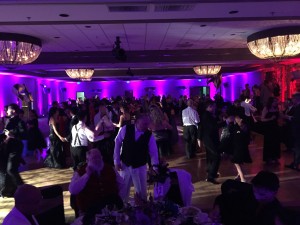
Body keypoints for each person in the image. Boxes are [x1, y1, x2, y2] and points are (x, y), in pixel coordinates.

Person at [211, 170, 296, 225]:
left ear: (275, 192)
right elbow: (226, 190)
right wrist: (217, 208)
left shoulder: (274, 211)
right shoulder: (249, 191)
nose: (257, 196)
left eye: (263, 194)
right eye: (256, 192)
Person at [114, 113, 159, 201]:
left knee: (142, 193)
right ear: (137, 122)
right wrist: (116, 161)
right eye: (144, 124)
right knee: (123, 191)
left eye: (147, 123)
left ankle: (142, 211)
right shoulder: (126, 129)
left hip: (140, 166)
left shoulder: (149, 135)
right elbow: (117, 143)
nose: (146, 126)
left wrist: (155, 168)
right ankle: (123, 210)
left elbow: (154, 153)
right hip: (125, 165)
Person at [69, 149, 124, 216]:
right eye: (94, 158)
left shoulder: (110, 169)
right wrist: (87, 175)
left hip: (110, 210)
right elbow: (73, 190)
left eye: (99, 157)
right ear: (87, 160)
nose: (97, 160)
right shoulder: (80, 172)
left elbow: (121, 184)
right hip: (88, 211)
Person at [199, 101, 221, 184]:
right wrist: (224, 123)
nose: (214, 108)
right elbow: (213, 127)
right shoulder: (207, 116)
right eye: (213, 106)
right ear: (209, 107)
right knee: (216, 156)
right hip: (210, 140)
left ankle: (211, 173)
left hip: (209, 139)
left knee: (210, 156)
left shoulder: (206, 115)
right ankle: (211, 176)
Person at [0, 129, 24, 197]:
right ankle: (9, 190)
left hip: (13, 147)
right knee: (6, 171)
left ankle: (22, 187)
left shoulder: (7, 131)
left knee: (11, 170)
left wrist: (9, 136)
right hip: (6, 151)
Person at [231, 115, 252, 182]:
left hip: (240, 147)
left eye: (237, 118)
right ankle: (239, 176)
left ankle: (242, 178)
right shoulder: (237, 126)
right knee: (239, 162)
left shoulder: (244, 127)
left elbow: (243, 137)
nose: (235, 119)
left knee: (236, 162)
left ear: (241, 119)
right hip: (238, 146)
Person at [285, 92, 300, 171]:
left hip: (297, 130)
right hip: (297, 130)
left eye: (293, 98)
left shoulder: (298, 107)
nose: (292, 100)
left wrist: (288, 117)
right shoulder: (296, 107)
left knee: (297, 147)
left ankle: (295, 164)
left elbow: (297, 119)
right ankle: (295, 162)